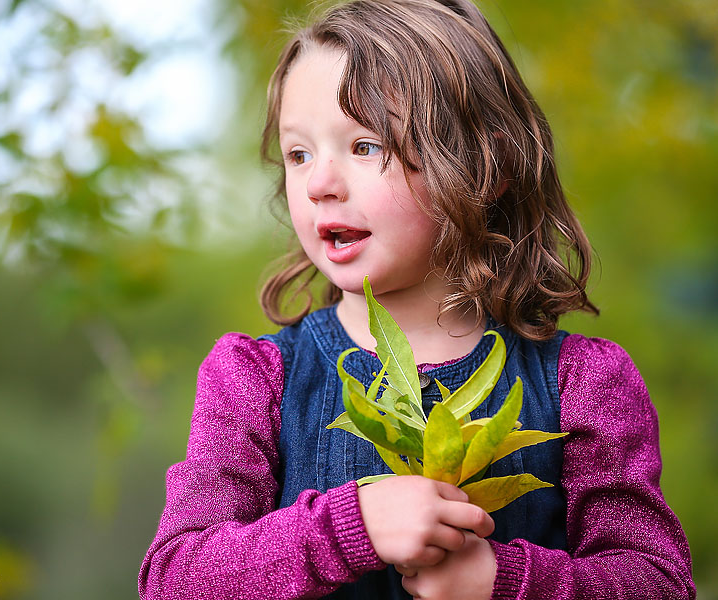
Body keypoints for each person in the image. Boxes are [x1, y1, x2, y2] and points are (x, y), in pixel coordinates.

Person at [138, 0, 696, 598]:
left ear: (488, 166)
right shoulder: (255, 378)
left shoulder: (586, 382)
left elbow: (656, 582)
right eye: (299, 154)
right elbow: (176, 577)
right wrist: (348, 529)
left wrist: (500, 581)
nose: (320, 183)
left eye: (365, 146)